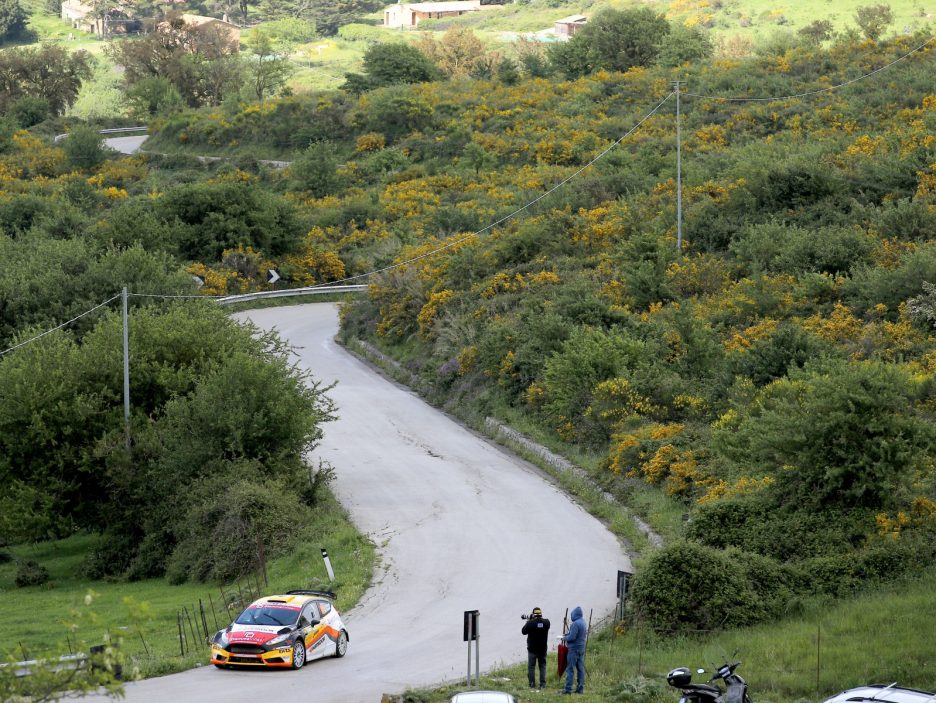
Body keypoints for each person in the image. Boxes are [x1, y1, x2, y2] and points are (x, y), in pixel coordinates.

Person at [522, 606, 550, 689]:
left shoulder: (530, 623)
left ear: (533, 614)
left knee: (531, 667)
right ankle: (542, 685)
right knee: (542, 666)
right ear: (541, 614)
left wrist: (529, 621)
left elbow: (523, 631)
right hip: (542, 649)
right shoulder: (547, 622)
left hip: (532, 649)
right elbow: (540, 624)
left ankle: (532, 684)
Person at [561, 606, 587, 694]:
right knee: (580, 669)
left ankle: (568, 689)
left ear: (574, 614)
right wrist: (567, 634)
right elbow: (574, 633)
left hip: (574, 649)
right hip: (581, 648)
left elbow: (572, 637)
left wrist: (564, 638)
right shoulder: (583, 622)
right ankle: (580, 688)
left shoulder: (575, 623)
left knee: (570, 669)